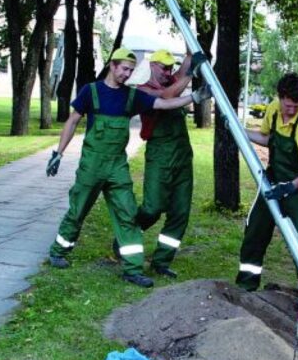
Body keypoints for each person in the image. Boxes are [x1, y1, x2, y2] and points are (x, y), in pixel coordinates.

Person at [45, 48, 204, 288]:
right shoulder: (92, 91)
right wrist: (59, 152)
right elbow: (73, 120)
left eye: (131, 70)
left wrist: (194, 98)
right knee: (78, 210)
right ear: (113, 66)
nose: (128, 74)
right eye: (125, 69)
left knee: (128, 215)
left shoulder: (132, 96)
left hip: (117, 166)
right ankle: (59, 250)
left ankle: (132, 268)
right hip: (92, 165)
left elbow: (163, 103)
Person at [235, 72, 298, 310]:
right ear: (280, 97)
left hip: (297, 190)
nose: (291, 110)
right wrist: (239, 129)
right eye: (287, 104)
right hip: (273, 185)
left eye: (296, 105)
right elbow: (266, 138)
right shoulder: (274, 110)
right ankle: (246, 285)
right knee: (255, 232)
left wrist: (292, 186)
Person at [134, 49, 196, 278]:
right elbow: (169, 95)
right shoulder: (142, 90)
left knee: (180, 212)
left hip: (182, 154)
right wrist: (191, 76)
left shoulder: (172, 79)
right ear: (152, 65)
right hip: (159, 154)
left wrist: (191, 53)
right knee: (152, 207)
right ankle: (127, 234)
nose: (168, 72)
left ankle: (161, 261)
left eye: (170, 67)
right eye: (163, 67)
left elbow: (183, 70)